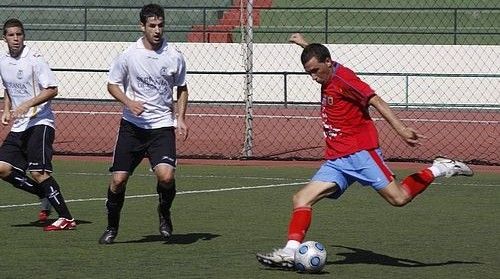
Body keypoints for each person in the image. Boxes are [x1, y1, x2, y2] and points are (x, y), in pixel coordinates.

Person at [256, 33, 474, 269]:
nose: (313, 77)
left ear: (328, 63)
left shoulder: (345, 80)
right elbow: (320, 54)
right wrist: (305, 44)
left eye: (316, 71)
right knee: (301, 198)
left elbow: (375, 100)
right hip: (337, 159)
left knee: (399, 198)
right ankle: (289, 252)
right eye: (309, 72)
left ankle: (440, 168)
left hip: (361, 153)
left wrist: (401, 129)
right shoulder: (326, 67)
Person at [98, 3, 189, 244]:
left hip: (161, 127)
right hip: (132, 127)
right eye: (152, 26)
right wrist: (128, 101)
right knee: (118, 181)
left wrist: (179, 118)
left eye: (160, 25)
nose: (157, 30)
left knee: (166, 177)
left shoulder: (174, 55)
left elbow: (182, 88)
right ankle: (112, 227)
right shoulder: (129, 55)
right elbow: (112, 84)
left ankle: (164, 212)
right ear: (142, 26)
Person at [0, 18, 75, 231]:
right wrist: (7, 109)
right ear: (4, 37)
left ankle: (66, 218)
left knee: (39, 172)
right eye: (11, 35)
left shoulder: (35, 59)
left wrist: (27, 104)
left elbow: (52, 89)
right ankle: (44, 194)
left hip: (40, 122)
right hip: (19, 126)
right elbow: (8, 87)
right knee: (3, 169)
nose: (16, 38)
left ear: (24, 36)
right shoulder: (3, 61)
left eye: (19, 34)